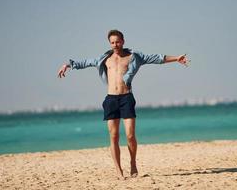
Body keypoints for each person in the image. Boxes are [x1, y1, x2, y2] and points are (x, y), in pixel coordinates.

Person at [57, 29, 189, 180]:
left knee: (130, 135)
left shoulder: (134, 57)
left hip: (126, 98)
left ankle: (133, 163)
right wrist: (67, 65)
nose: (115, 45)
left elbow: (157, 58)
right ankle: (119, 171)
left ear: (123, 41)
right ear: (110, 43)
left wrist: (176, 58)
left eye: (117, 41)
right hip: (111, 99)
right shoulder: (104, 59)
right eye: (112, 42)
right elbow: (85, 62)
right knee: (113, 136)